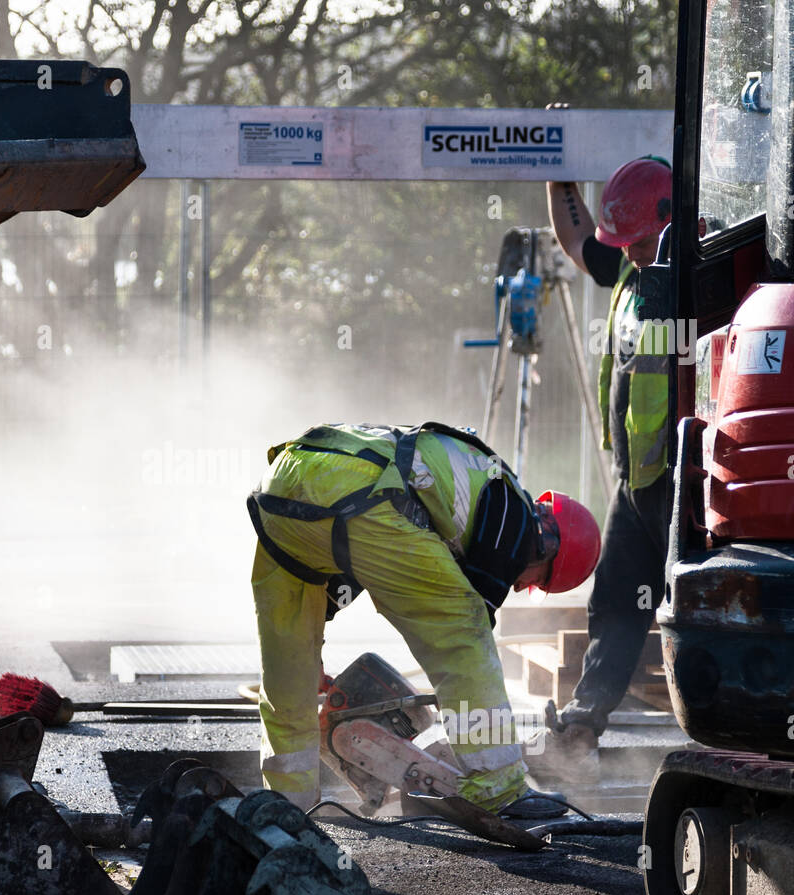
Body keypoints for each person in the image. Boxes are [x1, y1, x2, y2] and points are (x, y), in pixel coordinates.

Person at [247, 421, 600, 814]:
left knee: (289, 673)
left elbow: (355, 549)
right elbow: (465, 635)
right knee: (464, 633)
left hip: (286, 484)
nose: (521, 587)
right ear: (548, 548)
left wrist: (314, 651)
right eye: (538, 581)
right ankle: (500, 789)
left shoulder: (473, 481)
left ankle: (287, 806)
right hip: (361, 493)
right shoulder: (515, 518)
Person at [526, 154, 676, 782]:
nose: (631, 251)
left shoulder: (701, 275)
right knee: (615, 601)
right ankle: (580, 733)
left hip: (683, 482)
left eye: (639, 239)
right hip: (637, 481)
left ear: (672, 220)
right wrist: (560, 173)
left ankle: (735, 744)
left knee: (694, 605)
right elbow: (579, 240)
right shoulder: (631, 269)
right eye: (626, 241)